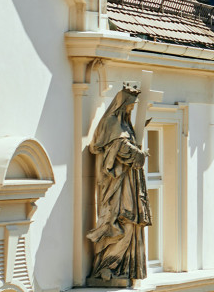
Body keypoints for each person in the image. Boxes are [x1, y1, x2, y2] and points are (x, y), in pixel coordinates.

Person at [87, 85, 151, 284]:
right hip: (116, 183)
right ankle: (107, 266)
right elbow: (118, 146)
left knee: (129, 222)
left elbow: (123, 143)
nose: (131, 110)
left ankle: (122, 266)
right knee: (120, 221)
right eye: (130, 106)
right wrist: (137, 154)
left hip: (128, 181)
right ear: (122, 104)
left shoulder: (124, 124)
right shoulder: (112, 122)